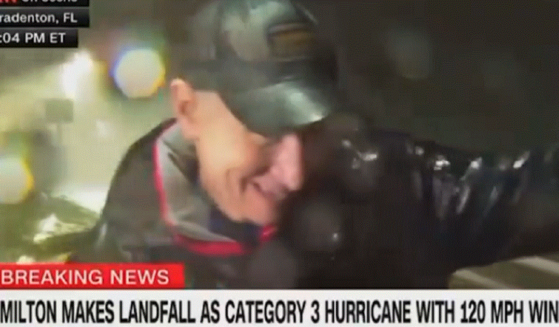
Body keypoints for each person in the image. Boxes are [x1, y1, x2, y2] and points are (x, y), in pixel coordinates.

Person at [71, 0, 559, 288]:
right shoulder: (134, 225)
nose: (297, 169)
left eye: (311, 129)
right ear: (188, 109)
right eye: (266, 131)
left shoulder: (394, 190)